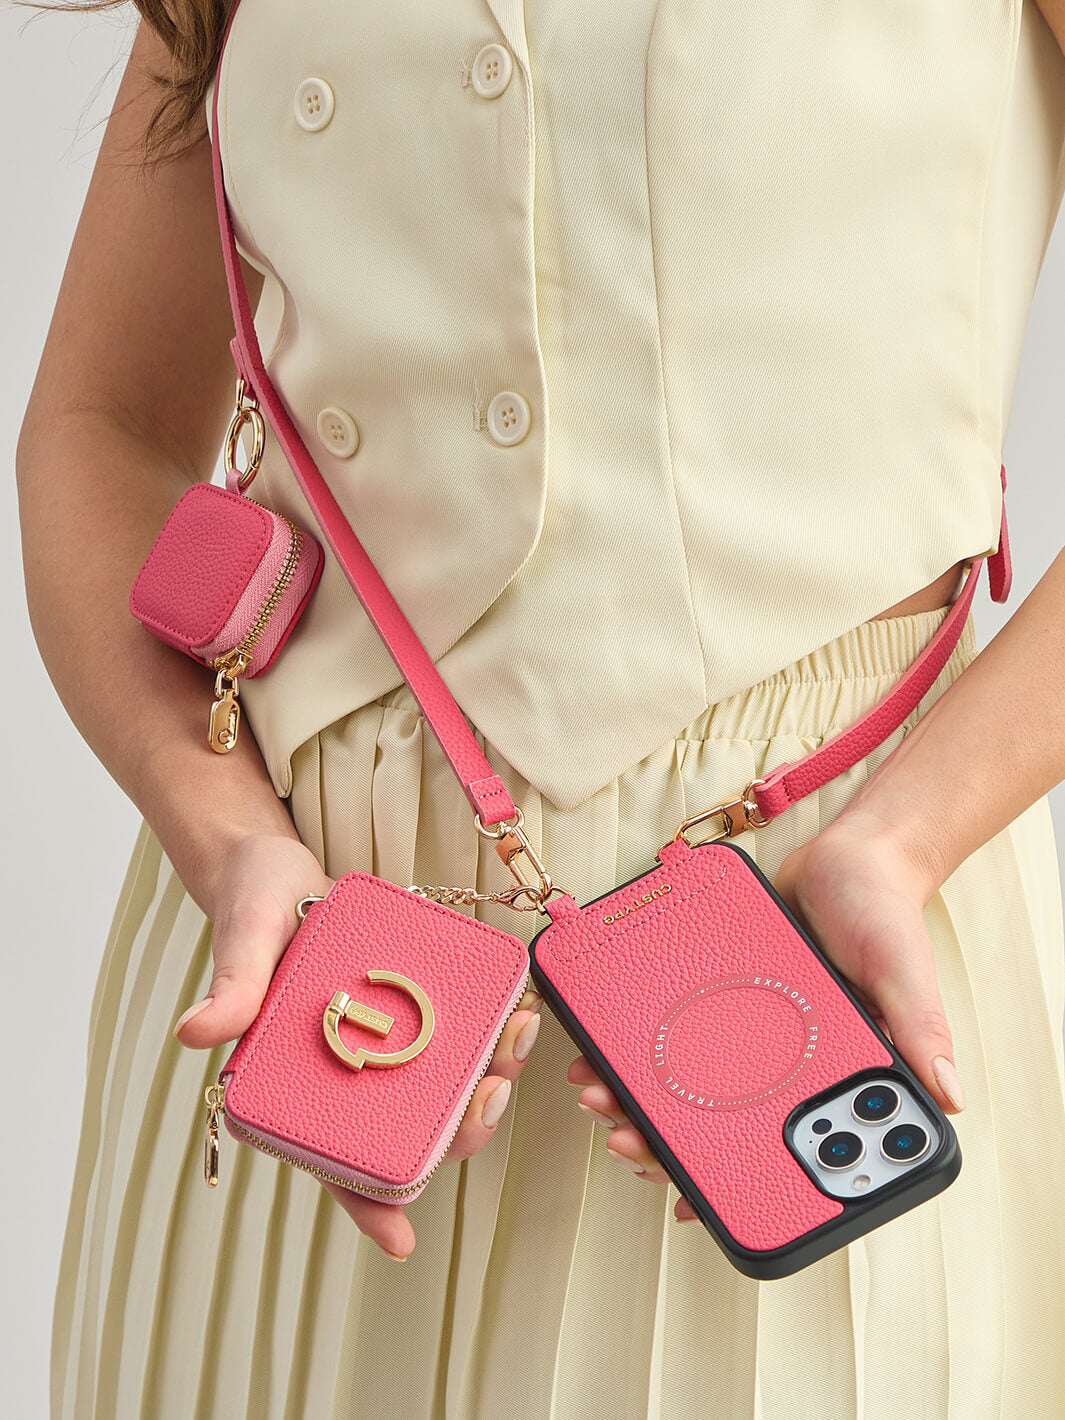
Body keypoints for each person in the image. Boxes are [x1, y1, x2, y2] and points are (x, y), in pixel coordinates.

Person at [17, 2, 1065, 1416]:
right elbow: (103, 423)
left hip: (820, 933)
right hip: (302, 966)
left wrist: (903, 841)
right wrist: (226, 839)